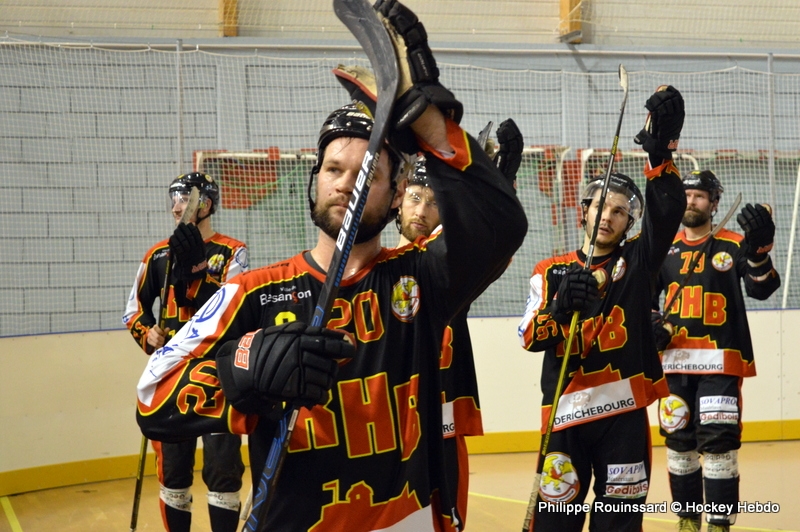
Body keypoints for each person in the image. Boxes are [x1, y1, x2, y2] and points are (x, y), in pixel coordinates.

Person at [135, 1, 528, 530]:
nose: (347, 181)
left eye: (369, 171)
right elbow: (153, 398)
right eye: (334, 168)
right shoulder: (252, 292)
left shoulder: (422, 278)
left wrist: (429, 123)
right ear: (313, 184)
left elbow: (502, 226)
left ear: (394, 199)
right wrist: (240, 368)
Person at [517, 85, 687, 532]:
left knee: (619, 524)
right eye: (601, 207)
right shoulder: (549, 269)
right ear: (583, 212)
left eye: (619, 211)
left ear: (629, 223)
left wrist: (660, 157)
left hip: (622, 419)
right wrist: (558, 309)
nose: (608, 216)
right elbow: (529, 338)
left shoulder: (638, 262)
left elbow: (667, 215)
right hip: (566, 416)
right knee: (557, 523)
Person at [394, 119, 523, 529]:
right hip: (390, 428)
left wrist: (498, 190)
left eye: (433, 202)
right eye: (415, 197)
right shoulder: (377, 271)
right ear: (398, 201)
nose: (422, 210)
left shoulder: (447, 271)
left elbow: (490, 253)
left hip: (445, 427)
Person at [651, 170, 780, 532]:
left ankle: (719, 523)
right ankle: (688, 518)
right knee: (678, 442)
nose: (692, 202)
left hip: (719, 362)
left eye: (700, 196)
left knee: (719, 443)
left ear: (714, 202)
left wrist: (760, 253)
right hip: (674, 363)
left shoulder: (735, 244)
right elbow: (644, 298)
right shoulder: (663, 248)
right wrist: (651, 325)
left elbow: (761, 289)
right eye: (687, 195)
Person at [123, 172, 249, 532]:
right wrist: (149, 334)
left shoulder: (231, 252)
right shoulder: (158, 254)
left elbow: (232, 307)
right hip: (170, 373)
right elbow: (134, 309)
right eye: (174, 199)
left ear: (206, 204)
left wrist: (196, 273)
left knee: (222, 467)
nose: (179, 206)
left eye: (187, 198)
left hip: (217, 371)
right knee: (174, 468)